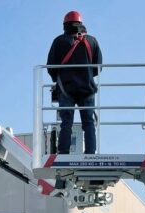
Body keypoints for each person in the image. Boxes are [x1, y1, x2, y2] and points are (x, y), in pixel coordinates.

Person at [47, 11, 103, 154]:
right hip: (87, 89)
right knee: (89, 123)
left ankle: (64, 152)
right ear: (81, 23)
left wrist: (58, 80)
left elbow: (51, 66)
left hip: (66, 90)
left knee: (67, 123)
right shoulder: (92, 41)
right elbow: (98, 67)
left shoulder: (59, 41)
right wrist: (87, 76)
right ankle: (90, 153)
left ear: (65, 25)